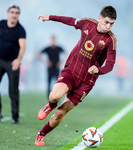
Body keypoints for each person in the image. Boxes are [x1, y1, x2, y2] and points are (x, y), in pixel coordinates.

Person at [35, 5, 117, 145]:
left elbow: (110, 64)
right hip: (71, 71)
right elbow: (70, 20)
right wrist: (50, 17)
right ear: (99, 18)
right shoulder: (87, 24)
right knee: (55, 96)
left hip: (86, 82)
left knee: (61, 113)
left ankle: (41, 134)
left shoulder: (110, 41)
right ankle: (50, 105)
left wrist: (98, 70)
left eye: (112, 24)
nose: (108, 26)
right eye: (106, 22)